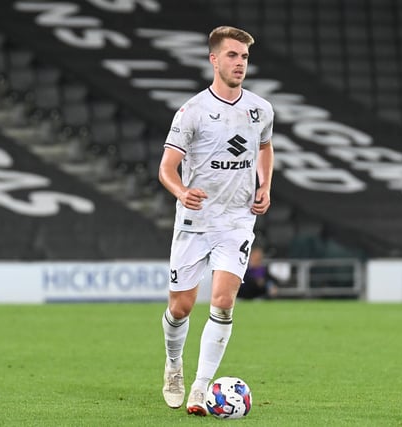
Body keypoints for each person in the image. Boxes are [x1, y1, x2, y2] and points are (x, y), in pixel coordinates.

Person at [158, 25, 275, 416]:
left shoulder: (260, 108)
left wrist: (265, 185)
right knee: (181, 308)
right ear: (213, 59)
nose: (240, 63)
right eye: (232, 56)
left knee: (223, 303)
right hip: (195, 220)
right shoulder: (192, 112)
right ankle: (174, 365)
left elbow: (265, 146)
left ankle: (200, 388)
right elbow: (166, 168)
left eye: (244, 57)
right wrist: (181, 192)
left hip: (236, 221)